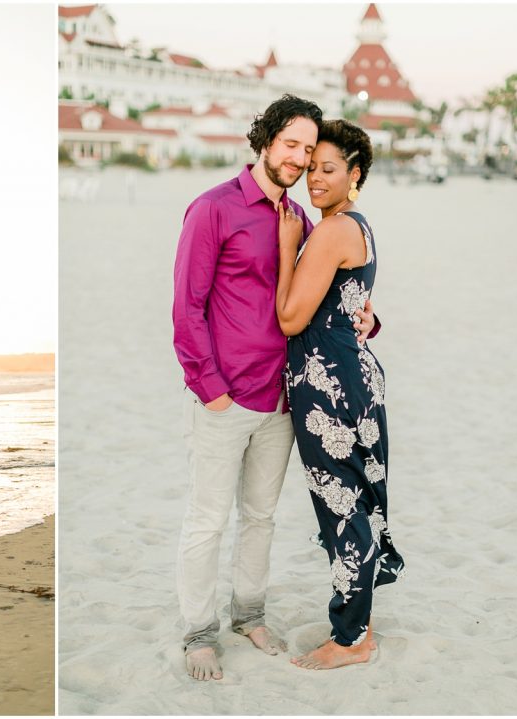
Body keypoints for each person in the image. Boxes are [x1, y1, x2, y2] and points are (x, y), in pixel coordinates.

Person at [172, 94, 378, 682]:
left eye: (310, 151)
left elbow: (328, 292)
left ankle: (249, 615)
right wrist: (209, 387)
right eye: (292, 145)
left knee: (260, 517)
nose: (300, 159)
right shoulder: (212, 209)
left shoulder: (301, 220)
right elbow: (187, 308)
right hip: (224, 397)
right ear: (265, 141)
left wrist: (371, 317)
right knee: (208, 520)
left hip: (284, 399)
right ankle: (198, 633)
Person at [276, 119, 404, 670]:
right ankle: (362, 625)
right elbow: (349, 304)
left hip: (327, 382)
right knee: (357, 497)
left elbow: (289, 318)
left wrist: (288, 248)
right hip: (354, 374)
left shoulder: (328, 232)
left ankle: (350, 640)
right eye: (311, 170)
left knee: (341, 503)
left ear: (355, 175)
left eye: (328, 170)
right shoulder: (360, 227)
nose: (315, 180)